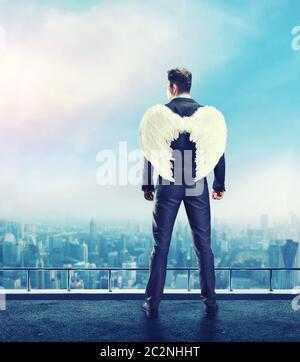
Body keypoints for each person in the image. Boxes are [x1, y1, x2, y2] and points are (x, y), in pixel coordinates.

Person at [139, 67, 227, 319]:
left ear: (173, 87)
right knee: (203, 245)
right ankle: (210, 303)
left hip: (169, 181)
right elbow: (218, 149)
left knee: (161, 246)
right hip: (197, 182)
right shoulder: (208, 115)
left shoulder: (160, 114)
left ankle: (152, 304)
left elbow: (150, 148)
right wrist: (218, 184)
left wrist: (148, 185)